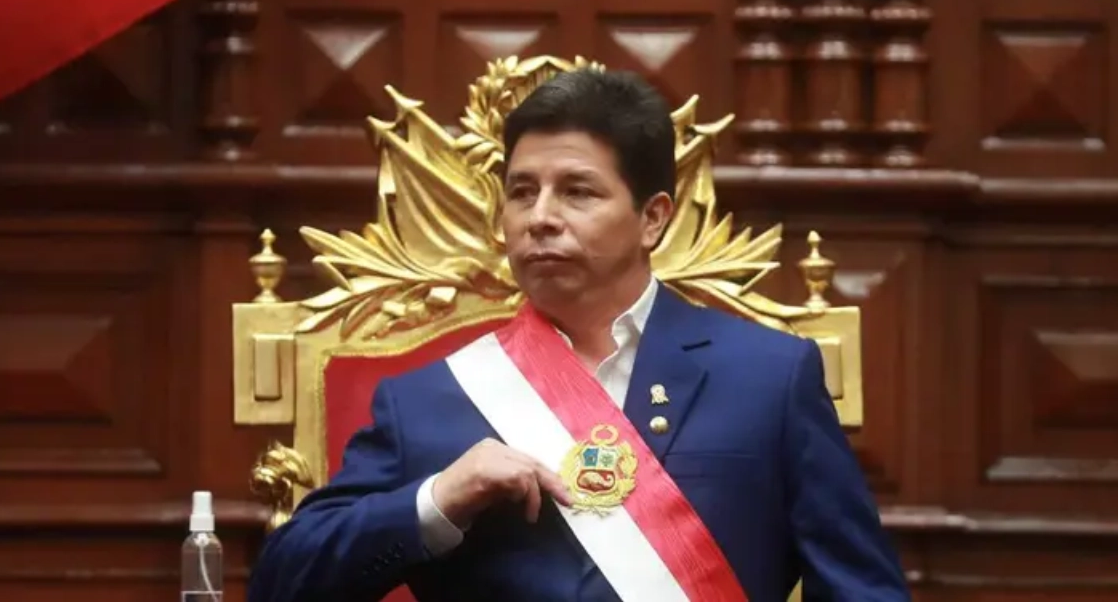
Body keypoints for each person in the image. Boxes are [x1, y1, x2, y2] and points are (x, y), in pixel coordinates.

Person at [247, 69, 910, 601]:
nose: (539, 217)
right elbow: (283, 580)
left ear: (652, 218)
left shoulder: (769, 377)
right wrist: (437, 500)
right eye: (521, 192)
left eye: (577, 192)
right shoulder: (424, 400)